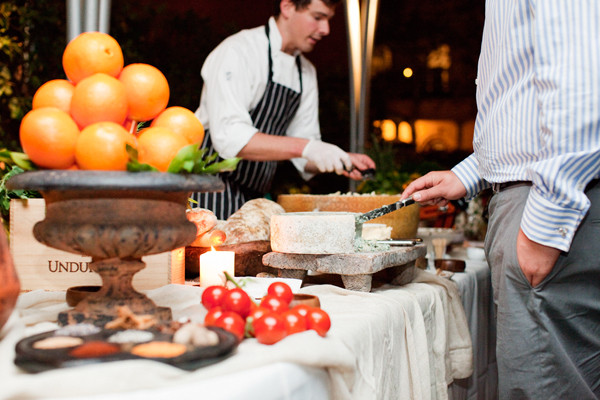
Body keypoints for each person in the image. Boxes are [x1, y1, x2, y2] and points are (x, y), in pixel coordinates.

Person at [401, 2, 600, 399]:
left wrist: (547, 224)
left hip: (550, 208)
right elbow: (527, 109)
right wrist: (469, 173)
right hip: (541, 198)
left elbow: (582, 83)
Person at [191, 0, 375, 219]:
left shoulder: (305, 72)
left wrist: (338, 157)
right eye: (317, 17)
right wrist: (307, 147)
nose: (326, 30)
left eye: (329, 19)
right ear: (287, 7)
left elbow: (305, 153)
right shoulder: (238, 52)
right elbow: (230, 138)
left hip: (254, 201)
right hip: (207, 193)